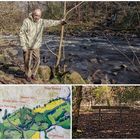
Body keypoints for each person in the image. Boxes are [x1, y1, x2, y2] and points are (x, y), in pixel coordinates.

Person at [19, 8, 66, 82]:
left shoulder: (41, 22)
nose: (37, 17)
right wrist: (23, 46)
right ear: (33, 14)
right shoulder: (26, 21)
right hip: (27, 45)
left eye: (39, 16)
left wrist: (60, 22)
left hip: (36, 46)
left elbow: (51, 22)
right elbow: (21, 33)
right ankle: (27, 75)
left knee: (37, 60)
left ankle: (33, 74)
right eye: (36, 15)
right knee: (27, 61)